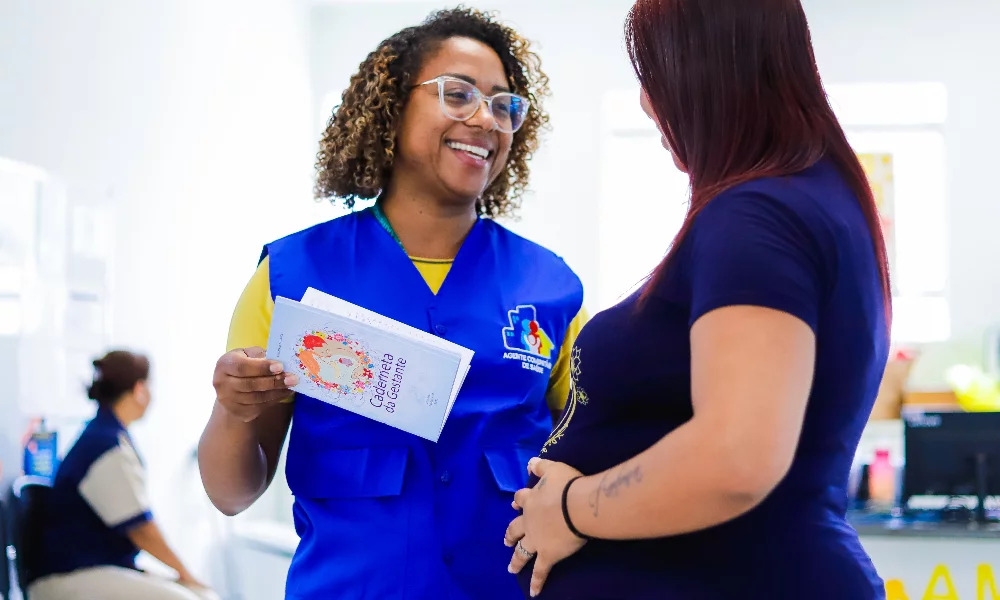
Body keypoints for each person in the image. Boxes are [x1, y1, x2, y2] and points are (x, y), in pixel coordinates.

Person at [503, 0, 893, 598]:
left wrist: (572, 508)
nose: (646, 101)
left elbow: (736, 458)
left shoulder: (758, 216)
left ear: (706, 70)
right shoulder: (808, 200)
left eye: (653, 74)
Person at [197, 7, 587, 600]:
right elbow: (231, 493)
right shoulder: (291, 276)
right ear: (392, 108)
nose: (486, 119)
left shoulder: (551, 289)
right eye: (458, 94)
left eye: (503, 105)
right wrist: (233, 409)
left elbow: (583, 461)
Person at [29, 350, 219, 600]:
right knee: (194, 597)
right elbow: (142, 530)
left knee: (202, 595)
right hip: (70, 576)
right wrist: (186, 575)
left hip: (91, 568)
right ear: (139, 389)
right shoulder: (105, 445)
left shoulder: (103, 435)